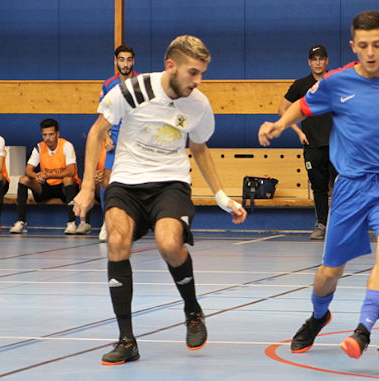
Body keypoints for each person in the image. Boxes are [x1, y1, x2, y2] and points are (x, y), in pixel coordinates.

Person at [259, 10, 379, 359]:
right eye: (364, 46)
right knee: (329, 272)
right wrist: (280, 124)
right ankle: (319, 315)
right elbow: (302, 106)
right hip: (349, 188)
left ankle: (363, 329)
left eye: (377, 44)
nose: (371, 52)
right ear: (353, 46)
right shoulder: (336, 82)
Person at [72, 35, 247, 365]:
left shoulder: (198, 105)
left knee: (169, 244)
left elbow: (199, 148)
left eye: (202, 74)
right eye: (193, 73)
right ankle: (127, 340)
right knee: (117, 241)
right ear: (171, 66)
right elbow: (97, 132)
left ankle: (192, 310)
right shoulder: (130, 91)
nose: (198, 81)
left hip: (170, 183)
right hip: (127, 182)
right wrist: (85, 188)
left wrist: (222, 196)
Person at [278, 45, 337, 240]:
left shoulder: (335, 82)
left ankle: (341, 225)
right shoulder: (300, 85)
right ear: (309, 62)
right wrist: (297, 131)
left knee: (341, 185)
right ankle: (321, 224)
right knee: (318, 186)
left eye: (321, 59)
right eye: (314, 59)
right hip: (312, 144)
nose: (318, 62)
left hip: (337, 144)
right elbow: (282, 109)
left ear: (327, 61)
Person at [10, 118, 89, 235]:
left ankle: (72, 223)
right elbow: (28, 170)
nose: (48, 138)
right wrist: (36, 175)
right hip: (46, 187)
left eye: (51, 134)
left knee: (68, 179)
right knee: (24, 179)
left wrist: (49, 175)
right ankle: (21, 222)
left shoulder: (66, 146)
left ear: (58, 134)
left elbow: (71, 171)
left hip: (65, 189)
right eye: (44, 135)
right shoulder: (39, 147)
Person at [98, 44, 138, 241]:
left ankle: (135, 221)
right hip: (114, 139)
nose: (125, 63)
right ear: (116, 61)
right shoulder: (108, 85)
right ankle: (108, 223)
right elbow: (102, 117)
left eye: (129, 59)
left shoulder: (141, 83)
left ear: (133, 61)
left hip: (135, 140)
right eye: (121, 59)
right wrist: (106, 137)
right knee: (107, 182)